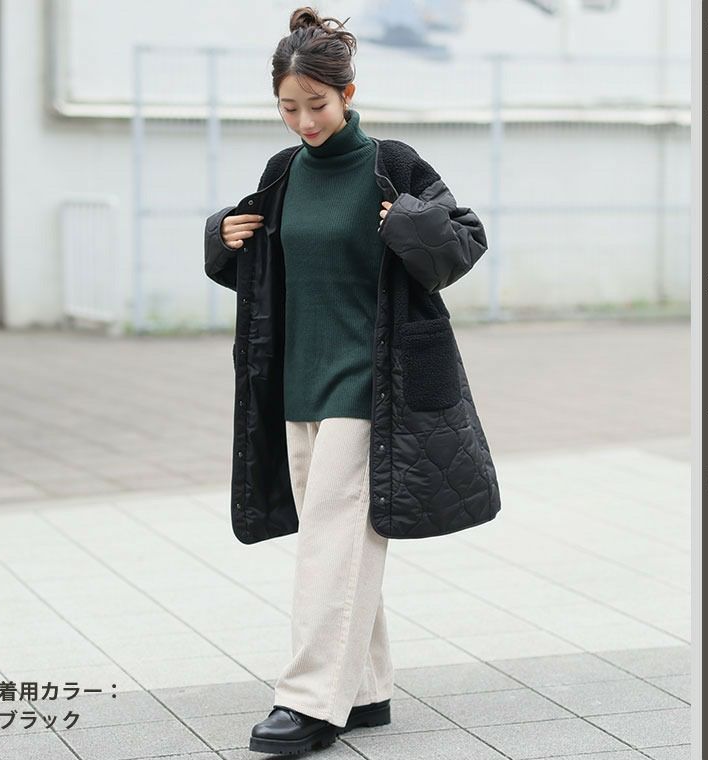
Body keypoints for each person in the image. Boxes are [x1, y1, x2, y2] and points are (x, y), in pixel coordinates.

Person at [208, 5, 501, 755]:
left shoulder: (392, 164)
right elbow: (265, 269)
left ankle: (309, 702)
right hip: (295, 381)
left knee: (331, 545)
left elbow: (462, 243)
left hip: (373, 383)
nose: (304, 121)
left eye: (317, 104)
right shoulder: (282, 174)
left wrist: (406, 221)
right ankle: (365, 690)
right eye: (288, 107)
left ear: (348, 93)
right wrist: (223, 237)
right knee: (338, 540)